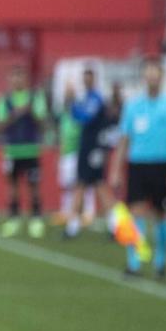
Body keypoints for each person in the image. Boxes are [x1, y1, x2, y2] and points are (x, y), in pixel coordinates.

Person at [111, 58, 166, 279]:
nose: (151, 76)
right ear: (143, 76)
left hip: (163, 164)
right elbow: (124, 140)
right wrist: (116, 169)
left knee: (161, 214)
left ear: (162, 76)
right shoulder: (133, 106)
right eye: (148, 72)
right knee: (135, 212)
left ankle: (161, 260)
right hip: (138, 164)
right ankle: (134, 263)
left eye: (155, 72)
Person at [0, 67, 49, 238]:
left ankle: (36, 219)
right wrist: (14, 114)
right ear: (9, 79)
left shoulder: (35, 97)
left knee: (34, 186)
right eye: (14, 76)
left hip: (31, 149)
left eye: (21, 76)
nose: (17, 80)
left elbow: (43, 124)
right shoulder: (4, 99)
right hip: (11, 150)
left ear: (26, 79)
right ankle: (13, 218)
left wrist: (29, 111)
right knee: (12, 185)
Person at [62, 68, 107, 237]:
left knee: (98, 185)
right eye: (84, 79)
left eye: (89, 78)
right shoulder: (86, 98)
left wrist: (73, 102)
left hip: (94, 148)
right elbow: (75, 116)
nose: (86, 81)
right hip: (86, 147)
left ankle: (114, 224)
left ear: (94, 79)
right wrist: (71, 100)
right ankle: (72, 225)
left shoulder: (96, 99)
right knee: (85, 184)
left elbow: (85, 117)